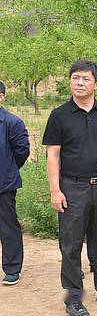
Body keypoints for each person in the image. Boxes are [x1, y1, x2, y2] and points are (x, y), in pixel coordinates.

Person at [43, 60, 97, 316]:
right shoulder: (59, 115)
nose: (79, 83)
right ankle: (74, 299)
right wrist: (55, 190)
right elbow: (53, 155)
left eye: (85, 79)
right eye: (75, 78)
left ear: (96, 84)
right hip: (73, 187)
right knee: (70, 245)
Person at [0, 80, 30, 286]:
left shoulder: (12, 122)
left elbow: (22, 151)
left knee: (7, 227)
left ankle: (12, 269)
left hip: (4, 184)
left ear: (1, 97)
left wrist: (9, 169)